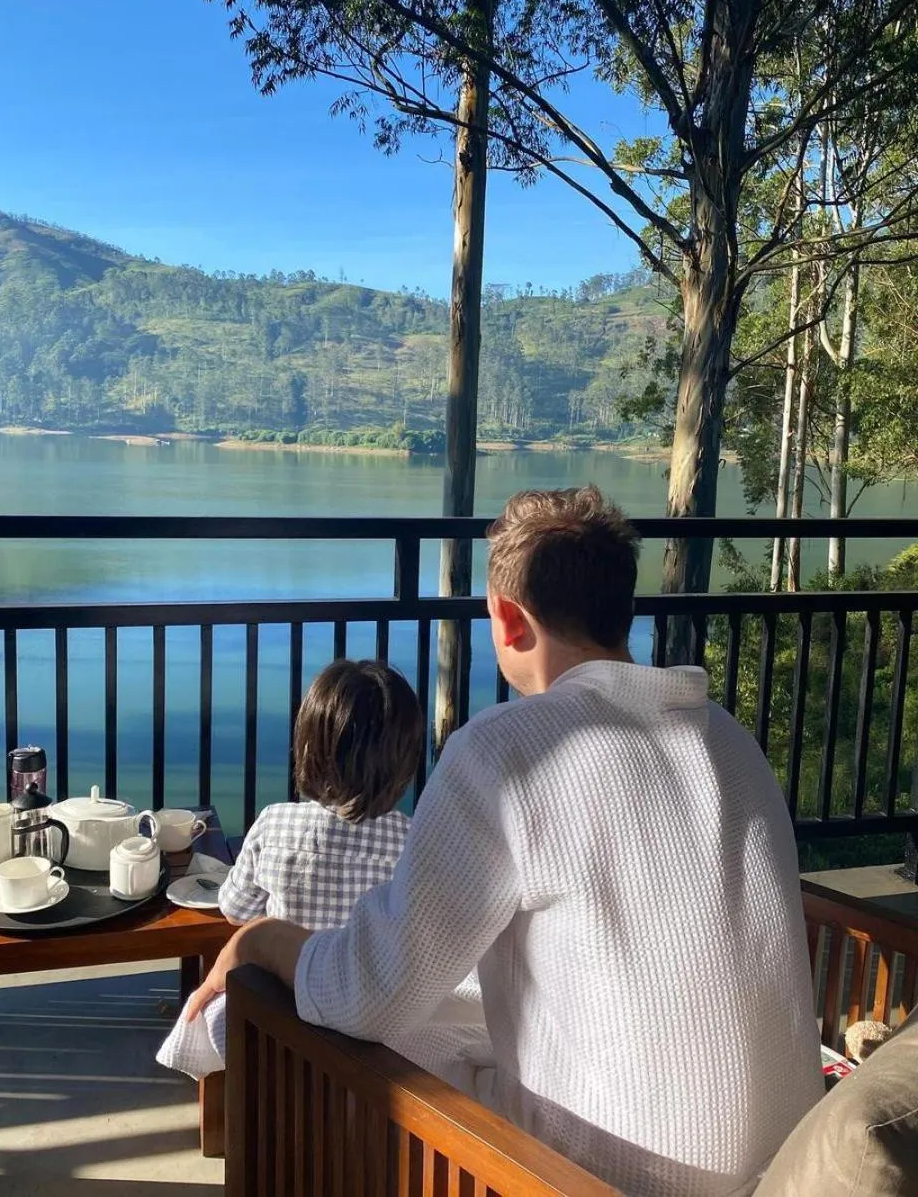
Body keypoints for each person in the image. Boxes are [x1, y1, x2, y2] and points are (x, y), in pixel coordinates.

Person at [186, 487, 824, 1196]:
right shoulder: (728, 739)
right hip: (787, 1164)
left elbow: (371, 992)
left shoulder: (508, 749)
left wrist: (266, 941)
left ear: (509, 619)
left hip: (599, 1179)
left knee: (349, 1025)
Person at [159, 657, 488, 1086]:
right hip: (371, 1038)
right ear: (404, 765)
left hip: (278, 1020)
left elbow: (235, 909)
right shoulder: (413, 842)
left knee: (222, 1002)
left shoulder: (275, 823)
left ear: (307, 749)